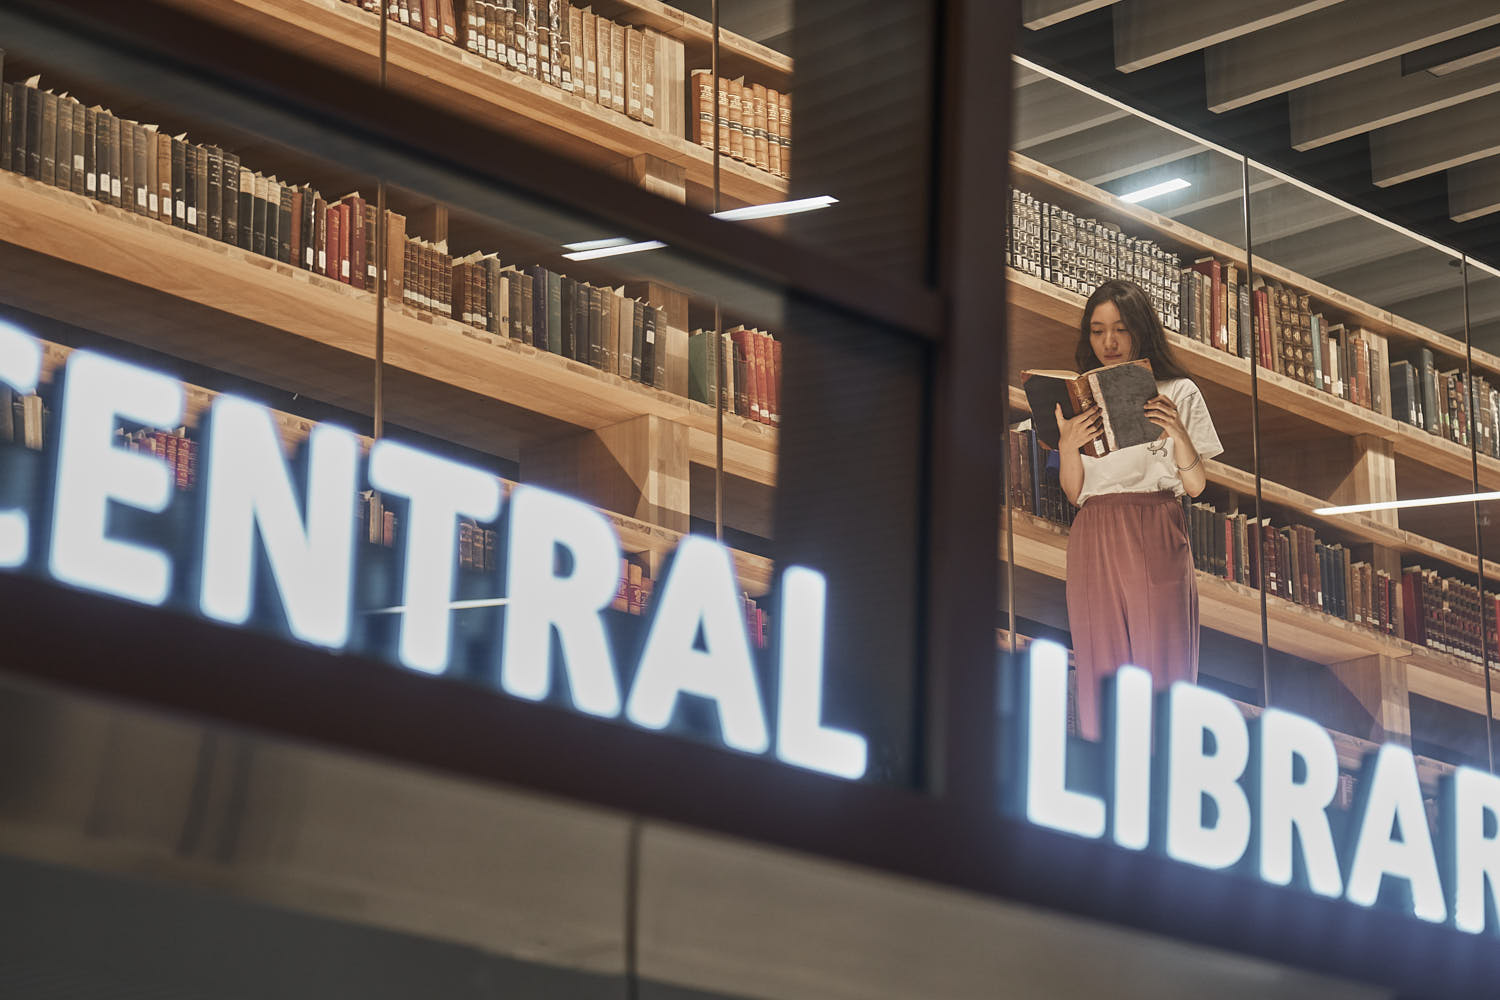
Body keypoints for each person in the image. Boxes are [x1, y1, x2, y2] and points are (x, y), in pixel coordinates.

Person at [1053, 279, 1222, 741]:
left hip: (1155, 520)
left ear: (1141, 330)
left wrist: (1177, 433)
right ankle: (1105, 773)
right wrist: (1069, 446)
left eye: (1120, 329)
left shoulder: (1178, 390)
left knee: (1160, 656)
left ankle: (1163, 774)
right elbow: (1074, 493)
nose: (1108, 342)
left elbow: (1196, 485)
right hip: (1093, 527)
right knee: (1099, 658)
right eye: (1097, 331)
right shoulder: (1079, 398)